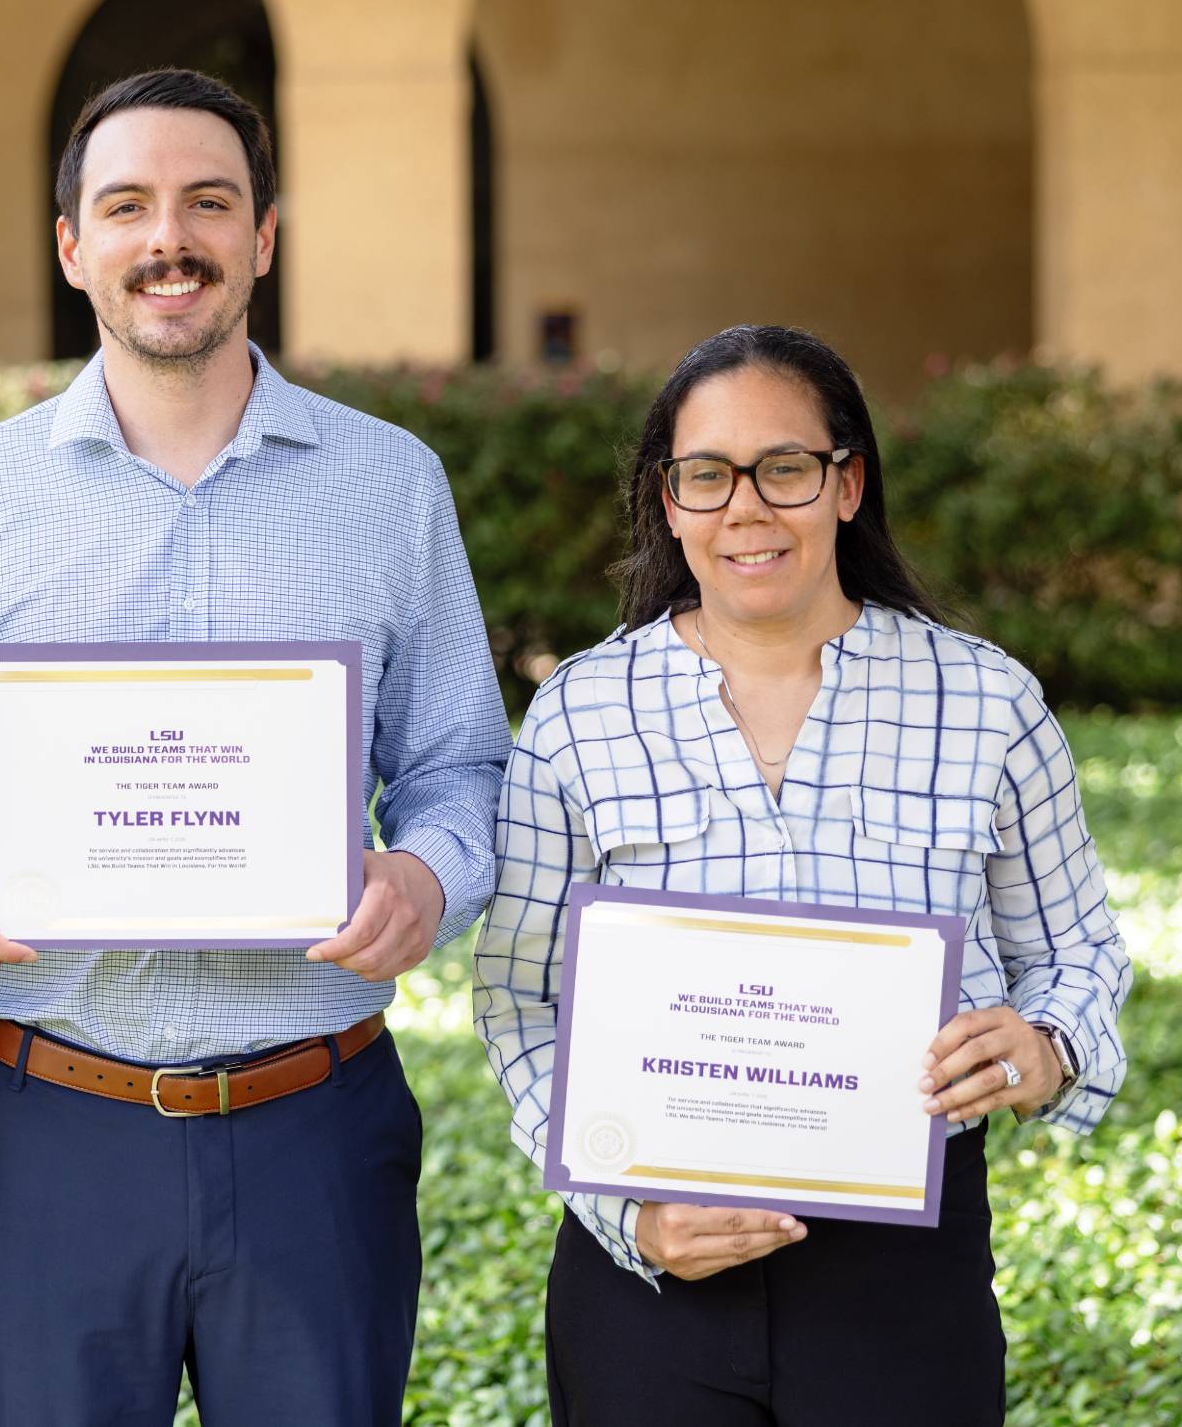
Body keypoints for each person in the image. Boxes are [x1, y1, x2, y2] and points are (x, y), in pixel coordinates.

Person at [0, 68, 511, 1426]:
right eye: (129, 205)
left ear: (264, 236)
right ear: (72, 245)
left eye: (209, 202)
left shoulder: (389, 484)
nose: (172, 238)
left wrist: (427, 881)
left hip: (313, 1128)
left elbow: (460, 766)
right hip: (49, 1123)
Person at [473, 324, 1131, 1427]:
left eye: (784, 468)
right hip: (654, 1278)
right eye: (706, 476)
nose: (746, 509)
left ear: (846, 484)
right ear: (668, 500)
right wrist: (627, 1214)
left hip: (901, 1276)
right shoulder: (578, 716)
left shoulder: (984, 702)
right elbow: (519, 1001)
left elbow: (1076, 951)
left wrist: (1046, 1045)